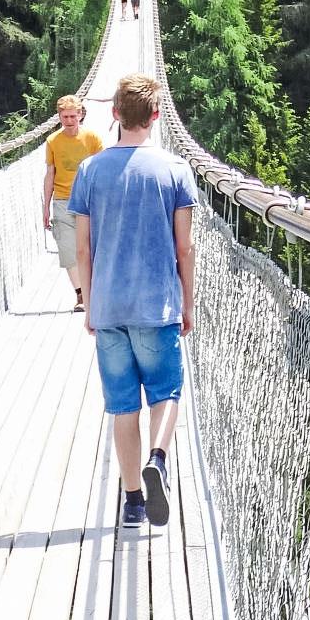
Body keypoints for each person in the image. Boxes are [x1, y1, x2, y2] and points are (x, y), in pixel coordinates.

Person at [69, 72, 196, 529]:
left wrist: (89, 304)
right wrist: (187, 304)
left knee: (123, 407)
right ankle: (157, 458)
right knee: (166, 393)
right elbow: (184, 248)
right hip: (157, 306)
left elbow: (83, 249)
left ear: (115, 113)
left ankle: (133, 503)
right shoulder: (175, 170)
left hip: (109, 307)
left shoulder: (89, 170)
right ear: (157, 115)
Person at [41, 95, 104, 311]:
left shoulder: (93, 138)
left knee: (91, 249)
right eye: (64, 117)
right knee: (68, 250)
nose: (68, 121)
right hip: (62, 200)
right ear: (59, 117)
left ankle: (94, 290)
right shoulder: (52, 141)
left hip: (89, 200)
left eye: (72, 116)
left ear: (80, 115)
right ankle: (81, 295)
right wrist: (45, 207)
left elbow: (102, 170)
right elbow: (50, 173)